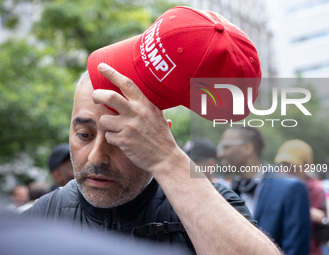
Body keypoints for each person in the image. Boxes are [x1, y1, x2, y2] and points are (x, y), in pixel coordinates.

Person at [24, 6, 280, 254]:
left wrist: (169, 160)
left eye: (121, 137)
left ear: (160, 137)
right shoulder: (42, 217)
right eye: (84, 135)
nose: (95, 157)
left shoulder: (214, 204)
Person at [217, 126, 310, 255]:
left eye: (225, 146)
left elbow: (295, 248)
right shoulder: (228, 190)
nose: (220, 153)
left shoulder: (292, 188)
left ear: (247, 148)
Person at [274, 139, 329, 255]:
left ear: (306, 166)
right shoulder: (274, 185)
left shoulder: (315, 188)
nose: (285, 171)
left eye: (291, 166)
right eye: (283, 165)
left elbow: (327, 219)